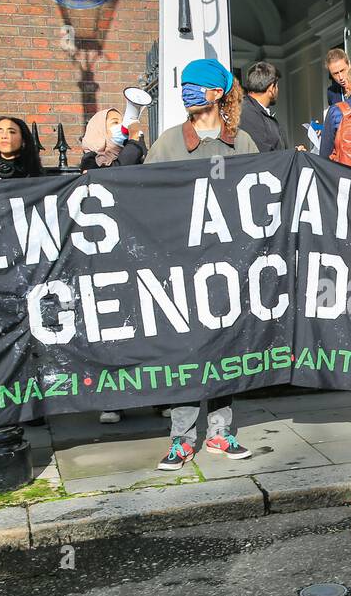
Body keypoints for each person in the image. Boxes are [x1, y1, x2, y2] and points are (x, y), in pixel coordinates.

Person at [146, 58, 257, 469]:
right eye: (185, 84)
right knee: (185, 352)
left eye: (196, 85)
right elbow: (143, 196)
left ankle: (219, 433)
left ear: (216, 94)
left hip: (228, 265)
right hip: (183, 266)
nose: (187, 91)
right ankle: (181, 438)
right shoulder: (169, 143)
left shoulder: (241, 143)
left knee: (226, 348)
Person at [77, 106, 147, 425]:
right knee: (112, 327)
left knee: (144, 324)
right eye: (113, 123)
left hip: (136, 251)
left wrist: (135, 144)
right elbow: (115, 170)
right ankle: (113, 399)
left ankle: (157, 393)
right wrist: (131, 142)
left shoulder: (138, 151)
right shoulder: (89, 161)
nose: (120, 126)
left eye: (122, 121)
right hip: (103, 257)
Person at [239, 61, 297, 153]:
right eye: (277, 86)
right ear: (271, 89)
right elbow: (265, 156)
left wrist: (294, 153)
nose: (278, 90)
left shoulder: (253, 110)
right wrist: (292, 155)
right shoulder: (248, 113)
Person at [79, 106, 146, 172]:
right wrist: (133, 142)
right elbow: (117, 173)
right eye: (115, 122)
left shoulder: (127, 148)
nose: (122, 126)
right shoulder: (90, 160)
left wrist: (139, 139)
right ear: (100, 130)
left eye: (122, 123)